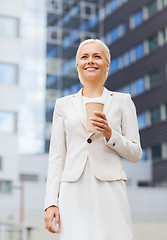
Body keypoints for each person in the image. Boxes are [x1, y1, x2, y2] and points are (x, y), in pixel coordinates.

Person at [44, 39, 142, 240]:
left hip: (110, 188)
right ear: (77, 64)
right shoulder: (63, 105)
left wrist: (110, 134)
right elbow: (56, 157)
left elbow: (135, 154)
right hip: (72, 190)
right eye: (84, 56)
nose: (90, 61)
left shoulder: (123, 101)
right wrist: (50, 202)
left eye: (97, 56)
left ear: (107, 64)